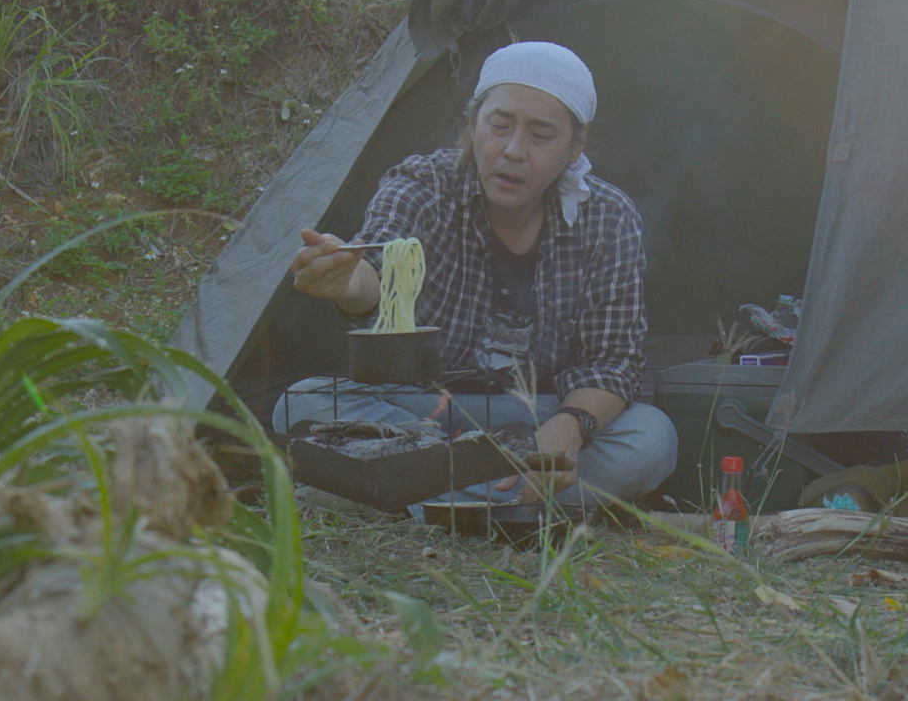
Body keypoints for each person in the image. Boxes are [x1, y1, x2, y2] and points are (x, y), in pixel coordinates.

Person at [278, 40, 677, 507]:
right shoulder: (422, 185)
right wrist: (346, 284)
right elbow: (376, 270)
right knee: (301, 404)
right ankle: (504, 503)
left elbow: (614, 360)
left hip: (537, 414)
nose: (512, 151)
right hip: (424, 414)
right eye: (499, 126)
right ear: (472, 125)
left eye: (541, 135)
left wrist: (570, 427)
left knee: (651, 437)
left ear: (576, 146)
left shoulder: (607, 218)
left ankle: (396, 495)